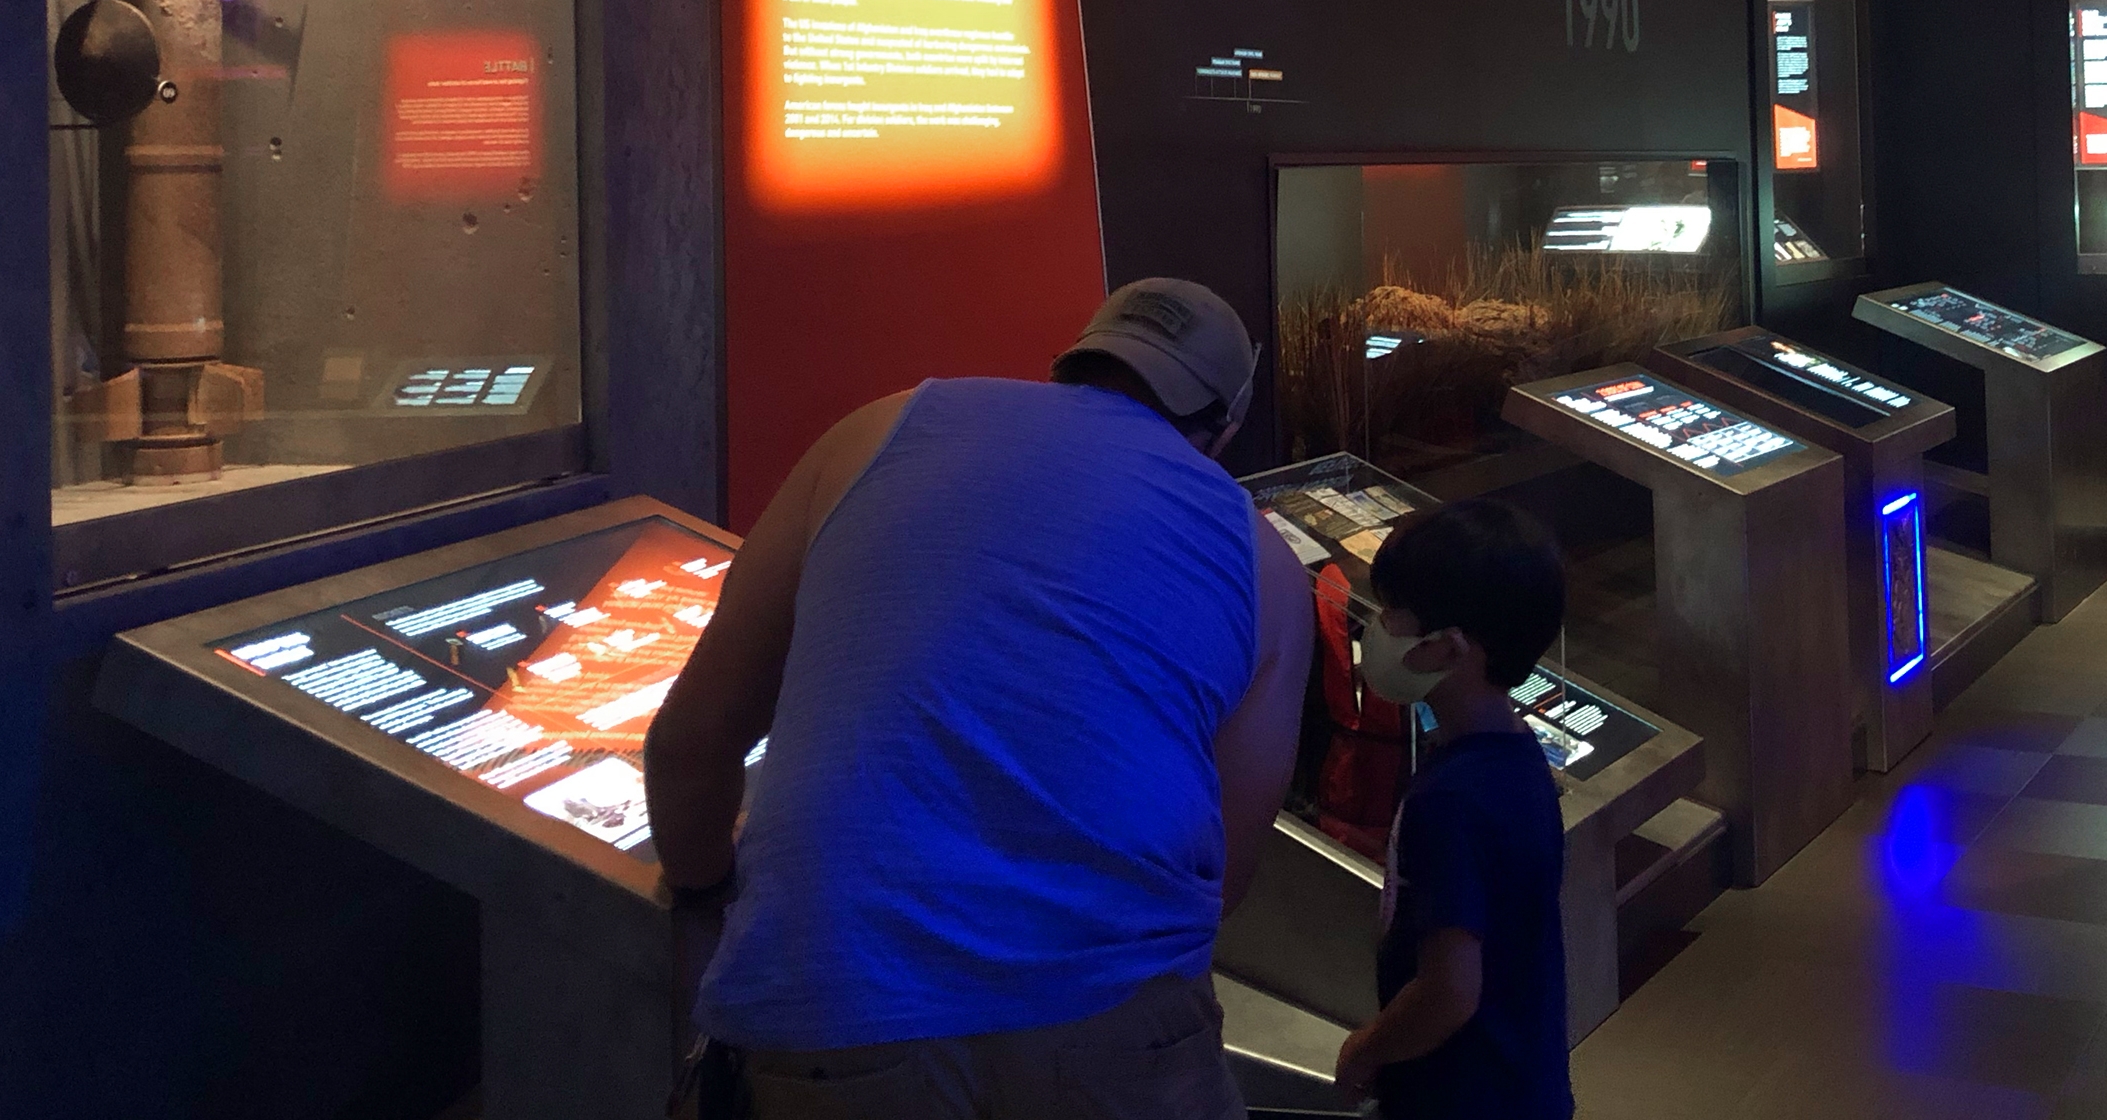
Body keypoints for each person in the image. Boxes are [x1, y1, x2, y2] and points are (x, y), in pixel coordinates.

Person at [643, 278, 1313, 1119]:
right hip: (1117, 1028)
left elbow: (690, 744)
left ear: (1071, 364)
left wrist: (702, 887)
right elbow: (1224, 873)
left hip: (834, 1010)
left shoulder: (878, 429)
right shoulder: (1264, 563)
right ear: (1225, 425)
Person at [1334, 499, 1574, 1120]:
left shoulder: (1450, 801)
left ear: (1446, 649)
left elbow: (1450, 990)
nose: (1376, 630)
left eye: (1394, 618)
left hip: (1460, 1094)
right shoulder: (1519, 762)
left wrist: (1366, 1048)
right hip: (1523, 1080)